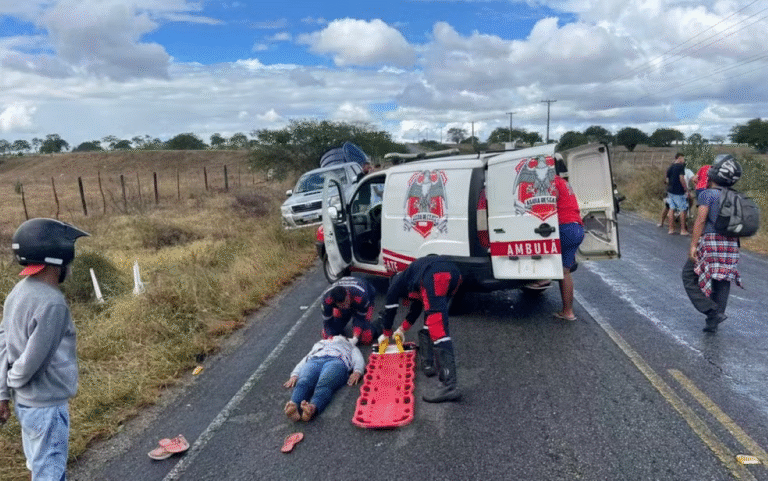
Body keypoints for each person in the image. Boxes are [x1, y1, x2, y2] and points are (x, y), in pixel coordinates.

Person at [0, 218, 89, 480]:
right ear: (59, 257)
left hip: (27, 404)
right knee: (50, 471)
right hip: (46, 405)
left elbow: (3, 343)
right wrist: (13, 381)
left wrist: (3, 392)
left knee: (38, 466)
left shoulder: (18, 292)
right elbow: (33, 359)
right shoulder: (53, 304)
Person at [377, 255, 462, 403]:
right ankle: (434, 368)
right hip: (454, 273)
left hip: (435, 275)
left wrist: (386, 334)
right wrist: (402, 330)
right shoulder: (412, 278)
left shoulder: (396, 282)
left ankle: (449, 387)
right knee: (436, 322)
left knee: (437, 327)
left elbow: (390, 309)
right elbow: (416, 309)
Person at [682, 154, 743, 333]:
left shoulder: (708, 194)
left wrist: (693, 245)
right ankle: (713, 321)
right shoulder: (736, 196)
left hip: (711, 241)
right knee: (722, 279)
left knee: (688, 275)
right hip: (731, 243)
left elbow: (701, 220)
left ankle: (712, 311)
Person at [283, 335, 364, 421]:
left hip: (337, 361)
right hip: (314, 360)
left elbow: (358, 358)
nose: (335, 337)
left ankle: (312, 408)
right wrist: (295, 374)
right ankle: (294, 405)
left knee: (325, 383)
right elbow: (305, 358)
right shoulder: (320, 344)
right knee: (303, 381)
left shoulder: (350, 345)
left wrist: (357, 371)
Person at [552, 155, 585, 322]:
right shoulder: (564, 182)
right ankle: (568, 312)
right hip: (576, 227)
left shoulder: (553, 183)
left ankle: (540, 281)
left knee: (554, 265)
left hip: (564, 227)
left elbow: (550, 203)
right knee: (565, 271)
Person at [320, 277, 378, 345]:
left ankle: (379, 323)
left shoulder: (361, 295)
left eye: (346, 302)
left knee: (366, 338)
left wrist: (355, 338)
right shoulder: (326, 300)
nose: (345, 306)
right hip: (345, 304)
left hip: (364, 299)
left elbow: (360, 318)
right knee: (326, 335)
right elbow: (327, 322)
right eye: (341, 305)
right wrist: (330, 338)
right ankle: (340, 328)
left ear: (347, 295)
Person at [665, 153, 690, 235]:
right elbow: (681, 178)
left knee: (671, 209)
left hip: (670, 190)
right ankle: (683, 230)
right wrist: (686, 189)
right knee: (682, 209)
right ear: (679, 158)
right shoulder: (680, 166)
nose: (684, 160)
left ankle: (671, 229)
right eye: (683, 158)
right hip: (679, 191)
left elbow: (667, 179)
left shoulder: (670, 167)